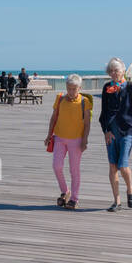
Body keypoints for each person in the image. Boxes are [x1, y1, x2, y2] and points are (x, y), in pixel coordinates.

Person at [98, 57, 132, 211]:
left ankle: (130, 190)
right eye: (110, 71)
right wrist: (106, 130)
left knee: (123, 166)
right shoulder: (106, 88)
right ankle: (116, 201)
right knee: (112, 167)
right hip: (111, 132)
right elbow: (103, 112)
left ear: (123, 70)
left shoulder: (131, 87)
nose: (113, 73)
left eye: (116, 70)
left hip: (127, 131)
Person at [45, 74, 91, 209]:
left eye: (74, 89)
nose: (71, 91)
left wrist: (85, 140)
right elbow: (53, 118)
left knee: (74, 169)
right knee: (57, 166)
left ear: (79, 88)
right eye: (69, 88)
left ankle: (74, 198)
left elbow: (87, 124)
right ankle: (65, 191)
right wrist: (49, 135)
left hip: (76, 140)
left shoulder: (84, 102)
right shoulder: (60, 99)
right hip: (59, 138)